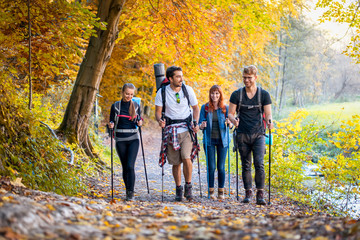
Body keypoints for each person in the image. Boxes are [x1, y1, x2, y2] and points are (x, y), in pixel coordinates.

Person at [228, 65, 274, 205]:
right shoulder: (237, 94)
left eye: (249, 78)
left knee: (259, 164)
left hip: (259, 134)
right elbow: (230, 113)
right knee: (245, 165)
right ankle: (248, 193)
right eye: (244, 77)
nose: (246, 80)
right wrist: (233, 120)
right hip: (242, 133)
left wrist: (270, 122)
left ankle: (260, 194)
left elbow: (268, 113)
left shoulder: (263, 94)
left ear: (255, 78)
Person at [155, 66, 200, 201]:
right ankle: (179, 189)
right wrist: (160, 120)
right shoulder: (162, 92)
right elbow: (158, 112)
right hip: (170, 129)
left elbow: (196, 108)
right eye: (178, 76)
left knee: (187, 157)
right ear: (170, 79)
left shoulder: (188, 90)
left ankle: (188, 186)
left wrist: (195, 122)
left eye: (181, 76)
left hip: (186, 129)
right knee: (176, 162)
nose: (181, 79)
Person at [109, 83, 143, 201]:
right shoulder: (116, 106)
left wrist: (140, 123)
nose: (129, 96)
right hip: (120, 140)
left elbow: (139, 120)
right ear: (122, 92)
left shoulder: (136, 106)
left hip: (133, 138)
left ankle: (130, 192)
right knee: (125, 167)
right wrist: (111, 125)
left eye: (131, 94)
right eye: (127, 94)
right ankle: (127, 189)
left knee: (130, 165)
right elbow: (111, 121)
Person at [199, 85, 232, 200]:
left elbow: (231, 124)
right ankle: (211, 191)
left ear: (220, 95)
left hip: (223, 141)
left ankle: (221, 192)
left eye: (217, 93)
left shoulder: (225, 108)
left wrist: (229, 123)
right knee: (211, 167)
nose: (215, 96)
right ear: (210, 94)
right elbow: (199, 124)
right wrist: (201, 125)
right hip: (209, 141)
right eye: (213, 93)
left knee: (221, 167)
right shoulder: (205, 108)